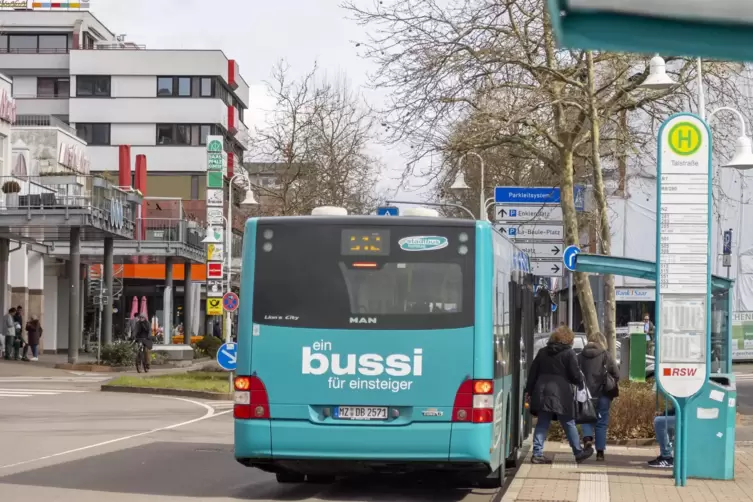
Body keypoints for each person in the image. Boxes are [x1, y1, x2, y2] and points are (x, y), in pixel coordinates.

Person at [525, 325, 594, 464]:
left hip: (542, 391)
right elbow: (575, 375)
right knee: (569, 422)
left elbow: (532, 373)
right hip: (561, 393)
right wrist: (580, 380)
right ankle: (578, 452)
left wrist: (529, 391)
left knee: (542, 423)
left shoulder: (543, 352)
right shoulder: (569, 353)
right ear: (568, 339)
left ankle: (537, 454)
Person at [578, 332, 620, 461]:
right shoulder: (606, 356)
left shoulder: (580, 356)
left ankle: (588, 438)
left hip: (585, 394)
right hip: (603, 394)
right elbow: (616, 374)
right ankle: (600, 452)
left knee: (586, 417)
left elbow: (574, 373)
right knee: (601, 422)